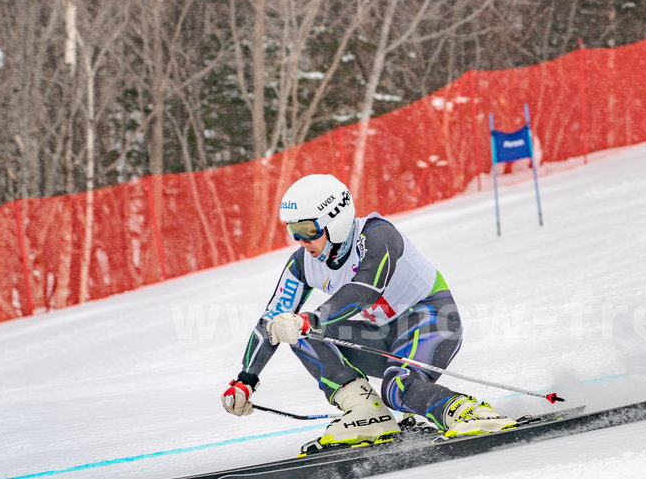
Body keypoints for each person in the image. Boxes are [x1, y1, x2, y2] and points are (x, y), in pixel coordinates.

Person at [220, 172, 516, 452]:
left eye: (307, 230)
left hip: (432, 319)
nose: (301, 241)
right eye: (293, 232)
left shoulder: (378, 234)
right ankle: (366, 413)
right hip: (385, 334)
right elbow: (271, 320)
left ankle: (466, 412)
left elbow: (366, 289)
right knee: (298, 332)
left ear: (334, 220)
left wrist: (313, 318)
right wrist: (247, 378)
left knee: (398, 387)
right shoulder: (303, 263)